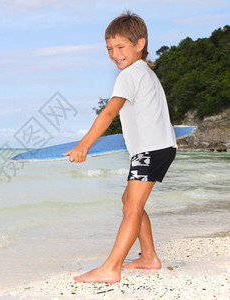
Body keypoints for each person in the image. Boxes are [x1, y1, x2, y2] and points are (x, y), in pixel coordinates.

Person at [62, 11, 177, 283]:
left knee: (132, 208)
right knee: (129, 201)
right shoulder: (145, 72)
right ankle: (148, 256)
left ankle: (111, 268)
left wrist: (84, 145)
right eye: (109, 49)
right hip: (159, 148)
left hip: (149, 151)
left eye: (120, 47)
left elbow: (108, 113)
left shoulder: (129, 74)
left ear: (140, 43)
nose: (114, 54)